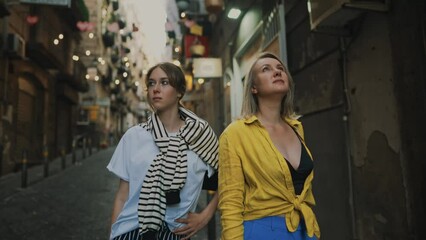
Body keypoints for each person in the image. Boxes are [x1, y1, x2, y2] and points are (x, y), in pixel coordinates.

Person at [107, 62, 219, 240]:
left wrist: (204, 217)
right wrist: (113, 235)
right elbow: (122, 195)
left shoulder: (202, 137)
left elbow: (230, 182)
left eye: (164, 82)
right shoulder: (134, 136)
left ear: (180, 92)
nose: (156, 89)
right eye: (151, 83)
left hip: (176, 234)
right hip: (131, 233)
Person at [218, 52, 321, 239]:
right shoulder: (235, 134)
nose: (277, 72)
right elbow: (230, 203)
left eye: (280, 69)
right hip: (262, 231)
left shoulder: (297, 128)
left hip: (305, 229)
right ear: (253, 88)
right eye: (266, 69)